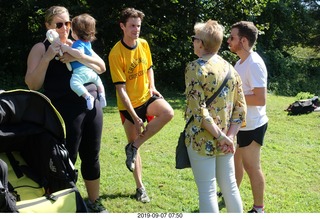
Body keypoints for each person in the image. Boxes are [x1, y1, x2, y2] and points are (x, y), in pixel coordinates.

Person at [25, 6, 107, 213]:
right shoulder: (40, 48)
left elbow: (101, 66)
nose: (64, 28)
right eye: (59, 24)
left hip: (91, 106)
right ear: (48, 26)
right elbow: (32, 84)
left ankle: (94, 202)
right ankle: (64, 205)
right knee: (65, 158)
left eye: (68, 23)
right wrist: (48, 57)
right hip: (64, 111)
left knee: (92, 154)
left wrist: (77, 56)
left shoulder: (76, 44)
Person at [108, 7, 174, 203]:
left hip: (147, 97)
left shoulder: (144, 44)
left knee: (168, 112)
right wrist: (135, 117)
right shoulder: (115, 53)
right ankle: (140, 188)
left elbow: (149, 68)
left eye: (138, 26)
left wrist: (152, 86)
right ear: (122, 26)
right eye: (132, 26)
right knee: (134, 145)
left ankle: (134, 146)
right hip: (128, 106)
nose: (136, 30)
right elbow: (121, 90)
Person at [184, 19, 246, 213]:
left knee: (208, 191)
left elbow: (198, 110)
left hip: (203, 139)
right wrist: (230, 137)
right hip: (226, 139)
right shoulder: (231, 68)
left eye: (195, 38)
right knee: (230, 187)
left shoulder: (195, 68)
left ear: (201, 43)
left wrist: (221, 137)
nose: (193, 42)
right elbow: (241, 108)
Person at [227, 21, 268, 213]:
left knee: (252, 167)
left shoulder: (255, 63)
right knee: (236, 161)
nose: (228, 40)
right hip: (242, 124)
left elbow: (260, 99)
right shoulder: (239, 62)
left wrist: (234, 97)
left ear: (243, 40)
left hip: (253, 125)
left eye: (232, 37)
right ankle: (232, 194)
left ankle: (258, 209)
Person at [60, 13, 107, 110]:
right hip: (90, 72)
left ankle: (87, 96)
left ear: (75, 32)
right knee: (98, 81)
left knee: (74, 84)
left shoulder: (78, 44)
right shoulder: (87, 43)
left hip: (80, 73)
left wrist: (67, 49)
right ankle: (102, 94)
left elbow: (79, 54)